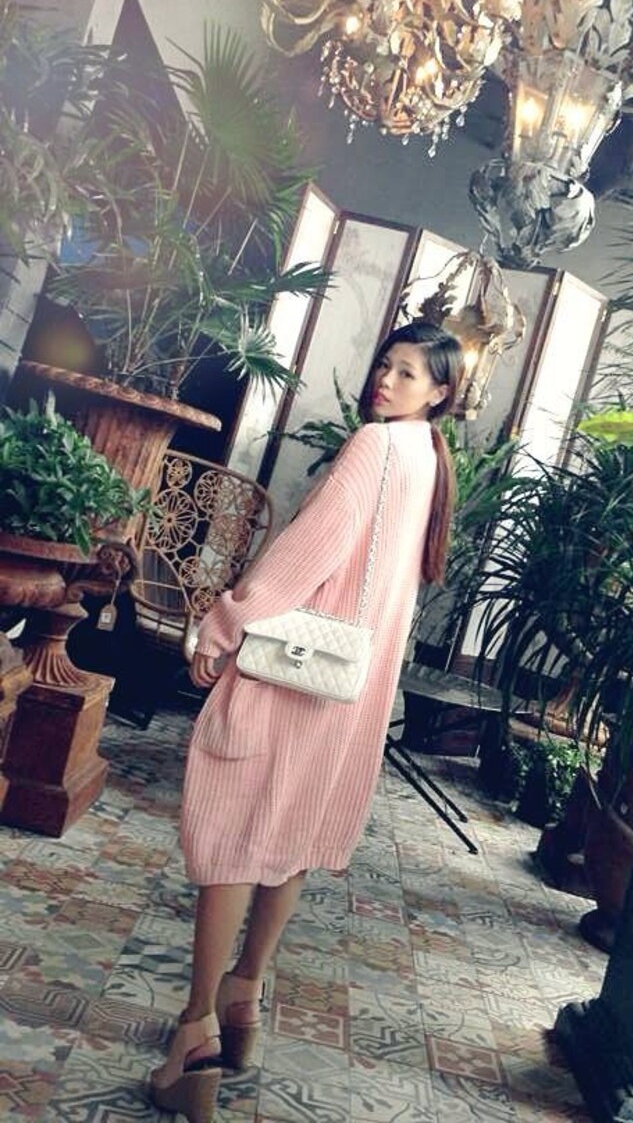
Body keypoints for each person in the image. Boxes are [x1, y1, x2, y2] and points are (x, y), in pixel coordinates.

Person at [149, 320, 462, 1123]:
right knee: (289, 837)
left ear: (440, 391)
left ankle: (197, 1032)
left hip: (289, 670)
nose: (385, 380)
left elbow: (306, 554)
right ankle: (245, 995)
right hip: (347, 687)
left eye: (407, 372)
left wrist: (224, 624)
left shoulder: (375, 446)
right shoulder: (427, 458)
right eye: (384, 364)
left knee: (232, 835)